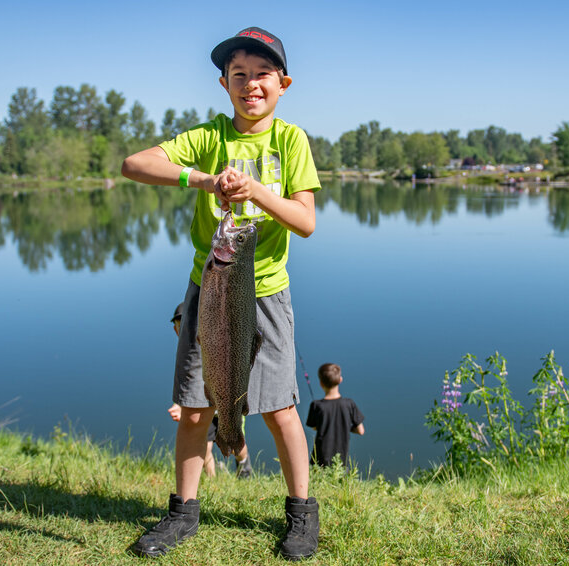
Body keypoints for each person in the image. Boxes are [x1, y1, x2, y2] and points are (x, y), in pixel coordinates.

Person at [122, 26, 320, 560]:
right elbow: (134, 164)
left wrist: (254, 189)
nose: (251, 84)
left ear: (283, 83)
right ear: (223, 83)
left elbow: (306, 221)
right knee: (194, 409)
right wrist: (204, 181)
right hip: (208, 293)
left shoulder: (289, 141)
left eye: (262, 75)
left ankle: (301, 514)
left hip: (266, 294)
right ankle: (182, 511)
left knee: (280, 411)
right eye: (240, 75)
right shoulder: (210, 137)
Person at [167, 304, 253, 479]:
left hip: (226, 408)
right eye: (179, 327)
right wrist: (180, 404)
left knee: (235, 443)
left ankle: (244, 468)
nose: (184, 331)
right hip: (203, 409)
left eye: (188, 326)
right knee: (205, 446)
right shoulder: (187, 356)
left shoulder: (218, 349)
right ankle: (212, 479)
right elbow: (189, 385)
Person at [306, 363, 365, 468]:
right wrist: (346, 426)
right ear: (340, 380)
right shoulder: (349, 404)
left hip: (320, 457)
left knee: (318, 479)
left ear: (321, 383)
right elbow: (361, 431)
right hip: (340, 459)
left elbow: (314, 427)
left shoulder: (316, 405)